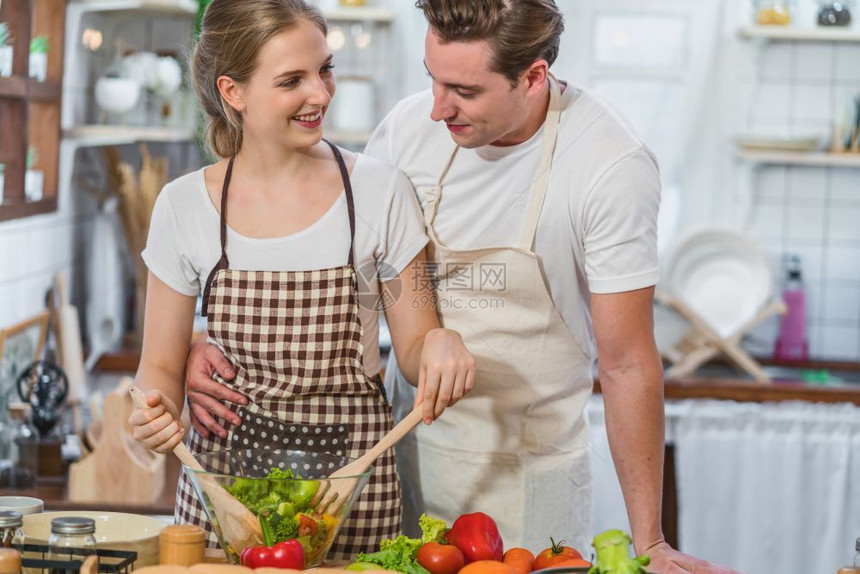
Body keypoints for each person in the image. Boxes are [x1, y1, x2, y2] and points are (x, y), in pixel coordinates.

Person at [183, 1, 738, 572]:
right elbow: (338, 274)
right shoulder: (406, 130)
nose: (436, 109)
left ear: (533, 76)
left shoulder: (607, 164)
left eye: (464, 91)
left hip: (525, 484)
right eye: (432, 79)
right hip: (396, 469)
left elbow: (627, 364)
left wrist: (649, 541)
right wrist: (208, 338)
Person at [128, 0, 475, 560]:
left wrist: (442, 343)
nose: (320, 94)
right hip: (226, 503)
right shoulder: (183, 206)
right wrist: (153, 412)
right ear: (232, 92)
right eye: (292, 80)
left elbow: (415, 342)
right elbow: (160, 370)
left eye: (325, 70)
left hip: (353, 497)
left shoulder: (382, 191)